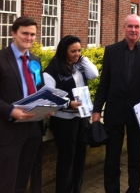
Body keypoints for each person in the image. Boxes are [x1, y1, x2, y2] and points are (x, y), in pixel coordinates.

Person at [92, 14, 140, 193]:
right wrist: (97, 109)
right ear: (124, 28)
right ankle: (112, 189)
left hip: (138, 113)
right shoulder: (111, 51)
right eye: (130, 26)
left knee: (135, 156)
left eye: (136, 27)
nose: (133, 30)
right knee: (112, 155)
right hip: (114, 111)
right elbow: (104, 83)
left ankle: (133, 189)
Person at [43, 35, 99, 193]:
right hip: (64, 120)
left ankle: (77, 189)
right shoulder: (52, 70)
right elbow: (49, 96)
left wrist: (82, 59)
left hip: (81, 117)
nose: (77, 54)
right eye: (73, 51)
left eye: (79, 50)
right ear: (63, 51)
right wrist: (68, 103)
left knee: (80, 156)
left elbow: (94, 74)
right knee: (67, 158)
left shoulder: (79, 66)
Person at [0, 16, 45, 193]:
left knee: (22, 181)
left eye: (33, 34)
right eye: (25, 33)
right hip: (9, 130)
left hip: (34, 128)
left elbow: (38, 88)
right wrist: (11, 111)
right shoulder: (1, 59)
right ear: (13, 33)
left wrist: (47, 106)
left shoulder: (35, 60)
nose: (29, 38)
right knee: (6, 182)